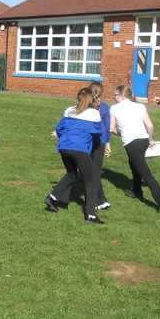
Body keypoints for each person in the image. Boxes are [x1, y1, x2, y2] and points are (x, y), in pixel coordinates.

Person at [45, 87, 108, 224]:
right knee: (90, 180)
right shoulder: (93, 113)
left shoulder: (69, 111)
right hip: (79, 149)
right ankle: (90, 215)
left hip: (63, 147)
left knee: (71, 174)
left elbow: (59, 128)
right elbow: (97, 132)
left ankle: (52, 197)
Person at [109, 85, 160, 213]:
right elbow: (149, 125)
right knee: (134, 164)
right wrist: (150, 139)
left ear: (122, 96)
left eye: (115, 95)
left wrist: (120, 133)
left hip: (131, 143)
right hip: (143, 140)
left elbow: (111, 129)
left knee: (145, 173)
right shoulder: (140, 106)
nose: (113, 97)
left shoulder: (114, 108)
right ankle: (137, 190)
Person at [88, 81, 112, 211]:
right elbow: (107, 128)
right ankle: (99, 200)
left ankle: (99, 199)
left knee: (90, 171)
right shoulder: (104, 107)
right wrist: (107, 142)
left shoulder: (84, 105)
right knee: (94, 171)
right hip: (100, 141)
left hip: (87, 140)